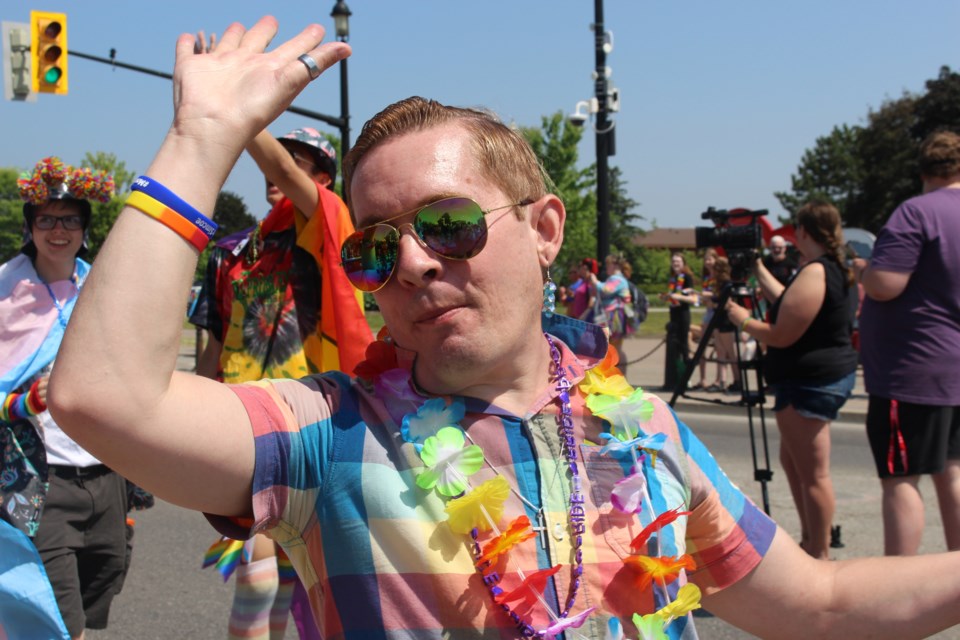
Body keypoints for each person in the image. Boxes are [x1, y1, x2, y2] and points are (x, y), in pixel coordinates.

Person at [46, 17, 960, 639]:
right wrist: (202, 138)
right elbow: (103, 397)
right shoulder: (324, 433)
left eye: (449, 224)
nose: (409, 264)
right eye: (372, 250)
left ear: (545, 227)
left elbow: (825, 601)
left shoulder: (646, 435)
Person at [191, 120, 373, 638]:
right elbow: (218, 341)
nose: (282, 169)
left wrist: (238, 115)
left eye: (301, 163)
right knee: (259, 579)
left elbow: (277, 167)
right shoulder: (234, 252)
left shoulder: (326, 220)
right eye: (284, 157)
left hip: (308, 421)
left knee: (298, 587)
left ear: (323, 180)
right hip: (240, 420)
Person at [0, 157, 127, 640]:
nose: (58, 229)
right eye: (46, 219)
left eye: (69, 219)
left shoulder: (103, 286)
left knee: (104, 582)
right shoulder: (6, 291)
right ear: (30, 227)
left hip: (105, 474)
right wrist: (24, 403)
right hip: (39, 479)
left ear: (84, 228)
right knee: (54, 617)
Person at [727, 200, 858, 560]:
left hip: (810, 381)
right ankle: (811, 541)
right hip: (814, 379)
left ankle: (819, 552)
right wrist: (756, 267)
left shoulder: (816, 270)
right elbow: (789, 302)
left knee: (814, 474)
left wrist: (742, 320)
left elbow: (782, 333)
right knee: (794, 461)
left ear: (802, 231)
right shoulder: (826, 268)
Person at [856, 130, 960, 557]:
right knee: (953, 471)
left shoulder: (916, 212)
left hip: (914, 370)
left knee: (901, 477)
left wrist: (863, 270)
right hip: (955, 367)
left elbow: (885, 285)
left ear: (922, 170)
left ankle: (899, 578)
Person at [597, 254, 635, 374]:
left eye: (608, 264)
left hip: (614, 317)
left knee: (611, 349)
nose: (606, 267)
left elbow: (606, 289)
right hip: (617, 316)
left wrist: (594, 281)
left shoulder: (616, 279)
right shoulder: (620, 278)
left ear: (615, 265)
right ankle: (620, 377)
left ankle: (616, 377)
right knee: (617, 349)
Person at [560, 257, 599, 322]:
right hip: (578, 318)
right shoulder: (583, 282)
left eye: (580, 267)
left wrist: (584, 316)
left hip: (585, 320)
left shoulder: (590, 282)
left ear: (585, 268)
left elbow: (592, 299)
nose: (579, 269)